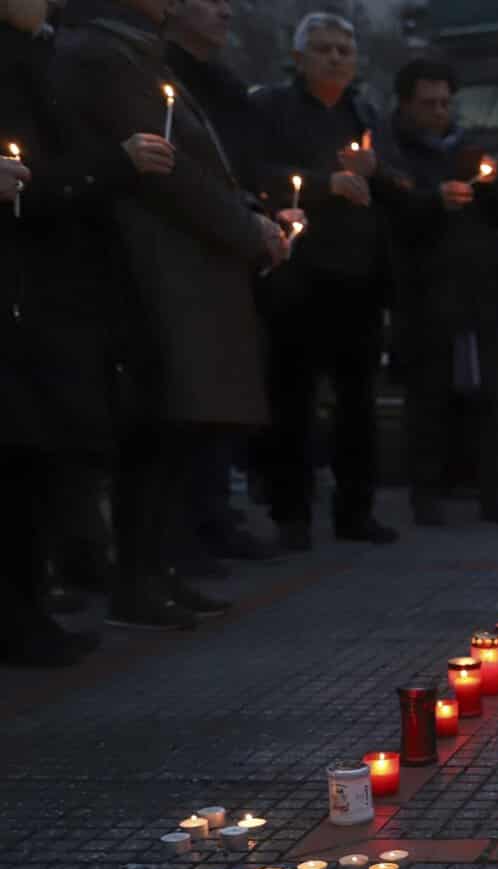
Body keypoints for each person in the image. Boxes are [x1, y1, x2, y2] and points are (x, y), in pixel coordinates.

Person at [51, 0, 287, 631]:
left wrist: (247, 213)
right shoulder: (102, 53)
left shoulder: (135, 52)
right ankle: (138, 577)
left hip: (179, 264)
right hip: (153, 262)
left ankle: (158, 568)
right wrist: (245, 228)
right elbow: (167, 170)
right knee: (154, 426)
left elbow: (192, 158)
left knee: (172, 428)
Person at [1, 0, 143, 662]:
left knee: (36, 457)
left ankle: (31, 605)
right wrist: (114, 163)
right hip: (23, 295)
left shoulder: (43, 60)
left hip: (48, 290)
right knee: (21, 454)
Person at [253, 11, 401, 549]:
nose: (337, 57)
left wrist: (373, 173)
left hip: (359, 278)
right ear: (299, 57)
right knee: (291, 397)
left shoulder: (366, 111)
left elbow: (396, 183)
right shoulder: (272, 107)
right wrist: (326, 183)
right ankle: (290, 512)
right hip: (299, 275)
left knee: (358, 400)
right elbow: (256, 174)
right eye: (324, 49)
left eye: (344, 49)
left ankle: (355, 510)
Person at [163, 0, 284, 567]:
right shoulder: (162, 73)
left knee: (228, 385)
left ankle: (213, 511)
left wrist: (263, 211)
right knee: (193, 390)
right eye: (211, 1)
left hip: (235, 242)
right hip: (191, 250)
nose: (227, 11)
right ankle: (188, 523)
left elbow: (243, 164)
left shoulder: (226, 86)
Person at [381, 59, 498, 527]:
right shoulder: (391, 152)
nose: (439, 111)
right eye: (429, 103)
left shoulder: (468, 149)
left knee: (491, 399)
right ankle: (427, 494)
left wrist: (495, 185)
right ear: (407, 104)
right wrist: (431, 200)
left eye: (445, 102)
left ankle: (495, 494)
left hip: (480, 293)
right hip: (425, 296)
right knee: (428, 401)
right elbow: (392, 213)